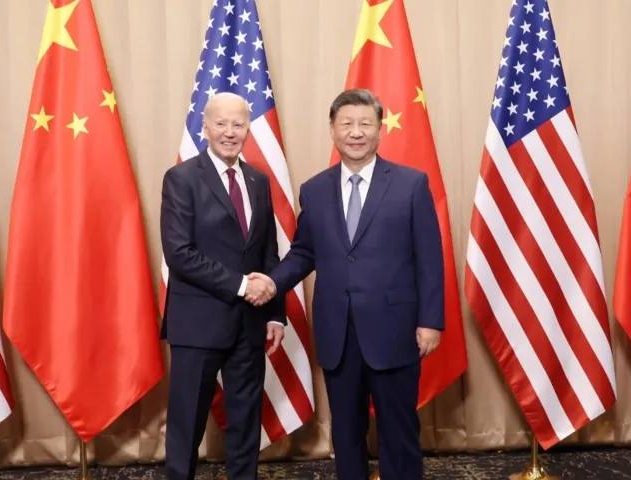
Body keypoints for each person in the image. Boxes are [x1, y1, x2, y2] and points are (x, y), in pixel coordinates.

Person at [248, 89, 444, 479]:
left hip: (396, 331)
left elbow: (430, 258)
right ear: (333, 131)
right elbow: (304, 253)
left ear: (379, 131)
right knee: (347, 433)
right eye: (347, 124)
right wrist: (271, 283)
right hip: (338, 332)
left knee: (399, 431)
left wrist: (430, 321)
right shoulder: (316, 189)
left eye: (365, 124)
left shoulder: (410, 184)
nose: (356, 133)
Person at [160, 91, 285, 480]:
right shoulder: (181, 178)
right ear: (205, 126)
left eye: (239, 124)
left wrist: (276, 314)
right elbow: (179, 253)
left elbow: (268, 253)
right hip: (197, 323)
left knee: (247, 421)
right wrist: (240, 286)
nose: (230, 132)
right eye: (221, 123)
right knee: (187, 424)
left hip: (250, 325)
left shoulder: (258, 181)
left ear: (249, 127)